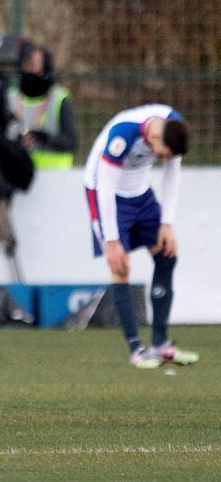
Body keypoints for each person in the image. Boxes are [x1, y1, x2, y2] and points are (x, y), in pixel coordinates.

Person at [84, 104, 198, 368]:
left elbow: (172, 173)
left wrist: (167, 223)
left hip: (140, 193)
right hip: (106, 194)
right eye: (161, 154)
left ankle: (161, 344)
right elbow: (106, 187)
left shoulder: (173, 128)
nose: (163, 159)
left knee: (167, 254)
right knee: (120, 266)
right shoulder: (123, 134)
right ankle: (137, 350)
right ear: (154, 138)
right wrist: (112, 241)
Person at [7, 41, 77, 169]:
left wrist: (42, 138)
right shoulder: (10, 98)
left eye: (35, 64)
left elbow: (71, 143)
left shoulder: (59, 98)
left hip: (55, 175)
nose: (30, 68)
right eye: (27, 63)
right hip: (17, 174)